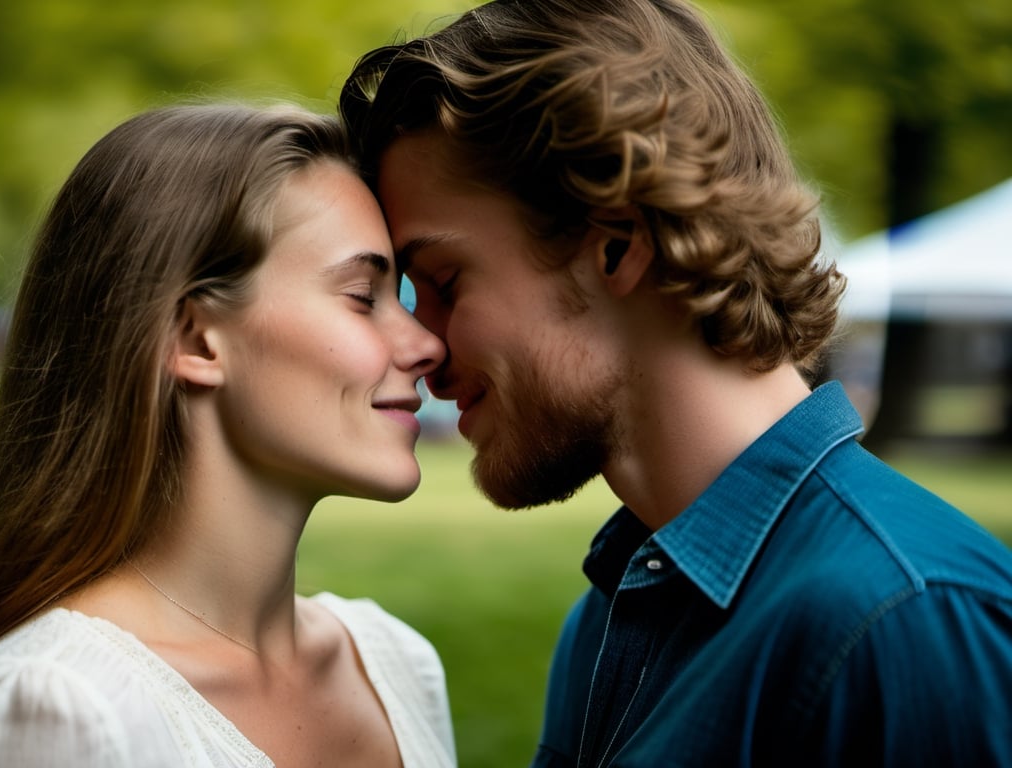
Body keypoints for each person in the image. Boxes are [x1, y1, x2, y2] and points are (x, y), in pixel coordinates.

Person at [338, 0, 1012, 764]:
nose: (419, 341)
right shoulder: (608, 621)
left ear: (618, 245)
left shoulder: (903, 622)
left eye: (445, 280)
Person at [0, 103, 457, 767]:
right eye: (361, 295)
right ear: (196, 339)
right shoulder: (60, 707)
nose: (426, 344)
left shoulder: (396, 667)